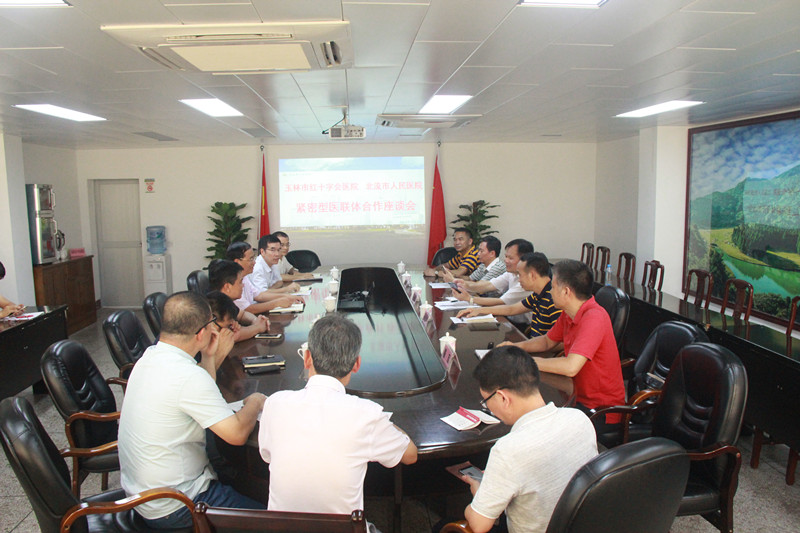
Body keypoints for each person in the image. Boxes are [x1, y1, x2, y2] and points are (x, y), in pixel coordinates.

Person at [118, 291, 266, 529]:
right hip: (180, 505)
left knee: (244, 482)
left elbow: (198, 393)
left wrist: (208, 356)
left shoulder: (150, 357)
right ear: (200, 333)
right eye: (211, 324)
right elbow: (237, 434)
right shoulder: (187, 376)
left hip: (145, 497)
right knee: (278, 521)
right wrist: (255, 401)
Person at [258, 314, 418, 514]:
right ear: (356, 364)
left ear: (307, 358)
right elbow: (410, 455)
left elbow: (267, 456)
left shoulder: (275, 404)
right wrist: (382, 420)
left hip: (280, 527)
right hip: (343, 528)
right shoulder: (367, 415)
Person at [455, 346, 597, 533]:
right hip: (581, 525)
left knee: (444, 526)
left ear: (503, 398)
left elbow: (479, 525)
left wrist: (478, 493)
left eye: (486, 402)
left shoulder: (508, 450)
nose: (489, 408)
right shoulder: (579, 419)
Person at [500, 259, 625, 430]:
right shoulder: (569, 313)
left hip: (598, 411)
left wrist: (525, 361)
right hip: (574, 395)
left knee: (531, 424)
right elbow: (547, 341)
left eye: (552, 287)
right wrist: (516, 347)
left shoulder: (594, 317)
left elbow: (570, 367)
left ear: (566, 292)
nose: (550, 291)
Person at [457, 252, 561, 338]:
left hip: (544, 351)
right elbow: (512, 309)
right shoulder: (537, 294)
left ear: (532, 275)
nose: (518, 280)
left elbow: (558, 341)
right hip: (535, 343)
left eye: (520, 275)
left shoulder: (554, 298)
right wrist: (478, 310)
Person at [452, 239, 535, 325]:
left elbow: (502, 302)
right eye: (506, 256)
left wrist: (470, 299)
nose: (506, 260)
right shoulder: (511, 273)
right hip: (508, 318)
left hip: (523, 325)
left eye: (510, 258)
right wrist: (465, 285)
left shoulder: (526, 281)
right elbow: (489, 285)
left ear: (524, 260)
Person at [225, 241, 304, 315]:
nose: (254, 262)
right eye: (251, 259)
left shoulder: (244, 277)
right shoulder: (231, 280)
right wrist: (276, 303)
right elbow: (247, 309)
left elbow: (259, 295)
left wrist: (287, 296)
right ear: (237, 262)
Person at [207, 260, 270, 342]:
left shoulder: (226, 301)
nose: (243, 285)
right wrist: (258, 327)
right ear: (227, 287)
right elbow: (232, 336)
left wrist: (255, 321)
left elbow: (242, 314)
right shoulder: (215, 304)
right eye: (240, 282)